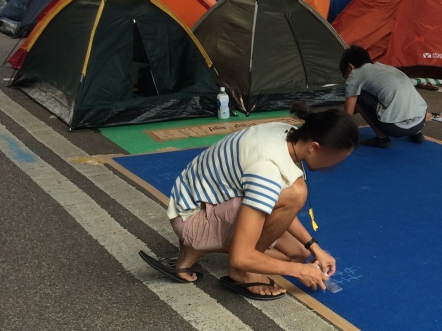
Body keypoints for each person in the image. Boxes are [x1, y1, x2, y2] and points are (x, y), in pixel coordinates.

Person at [142, 102, 359, 299]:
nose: (335, 167)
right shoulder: (267, 168)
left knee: (297, 253)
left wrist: (314, 248)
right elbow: (276, 201)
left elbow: (274, 203)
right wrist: (300, 272)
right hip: (193, 217)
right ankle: (238, 270)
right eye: (336, 159)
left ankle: (198, 249)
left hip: (206, 201)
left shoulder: (288, 133)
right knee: (295, 194)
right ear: (314, 147)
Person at [341, 45, 428, 148]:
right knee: (396, 93)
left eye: (346, 75)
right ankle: (416, 134)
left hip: (396, 128)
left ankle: (382, 139)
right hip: (420, 120)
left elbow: (348, 113)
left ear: (350, 67)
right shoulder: (385, 68)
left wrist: (340, 135)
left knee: (359, 97)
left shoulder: (356, 74)